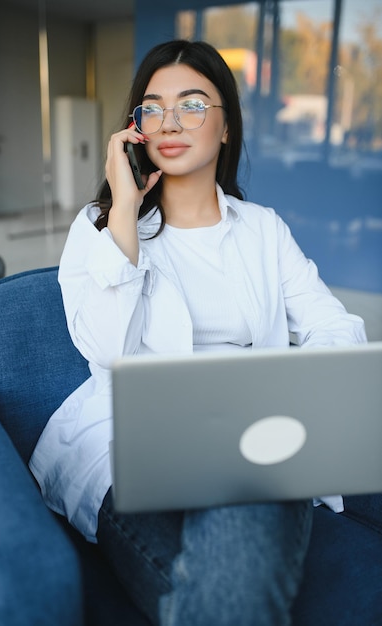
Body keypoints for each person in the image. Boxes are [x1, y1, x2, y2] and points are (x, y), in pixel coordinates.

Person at [29, 40, 367, 625]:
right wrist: (127, 216)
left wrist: (298, 396)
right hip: (132, 447)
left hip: (253, 436)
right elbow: (107, 352)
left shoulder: (263, 229)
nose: (169, 123)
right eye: (152, 108)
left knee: (256, 492)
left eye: (191, 105)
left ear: (226, 127)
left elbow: (334, 325)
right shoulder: (100, 229)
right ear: (134, 128)